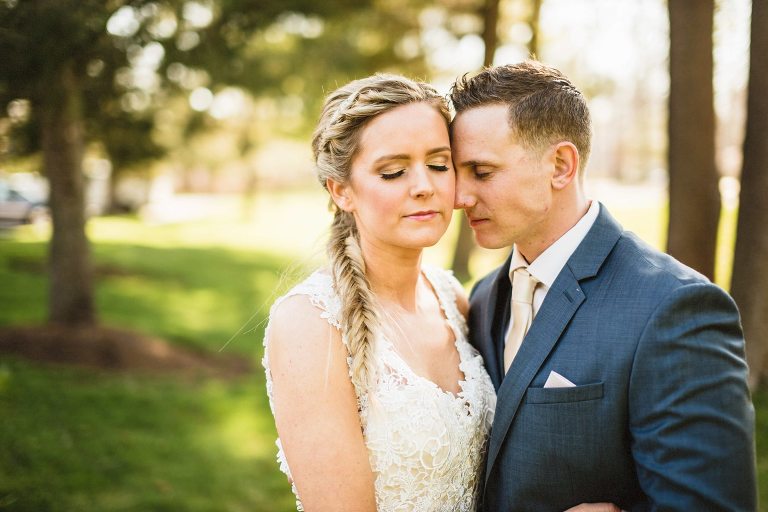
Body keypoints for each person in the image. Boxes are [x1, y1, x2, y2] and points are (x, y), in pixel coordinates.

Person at [450, 60, 758, 511]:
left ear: (560, 164)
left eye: (481, 172)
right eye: (457, 172)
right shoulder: (482, 297)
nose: (460, 196)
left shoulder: (675, 307)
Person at [262, 74, 496, 511]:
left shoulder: (452, 299)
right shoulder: (310, 325)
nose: (424, 185)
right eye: (393, 171)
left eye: (440, 164)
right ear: (342, 191)